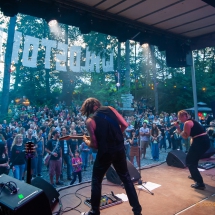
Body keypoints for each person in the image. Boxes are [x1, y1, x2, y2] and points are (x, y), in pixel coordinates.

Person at [80, 98, 142, 215]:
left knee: (96, 180)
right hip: (119, 149)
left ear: (89, 108)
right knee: (126, 179)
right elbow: (124, 124)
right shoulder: (110, 109)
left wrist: (86, 141)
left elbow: (95, 145)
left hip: (105, 153)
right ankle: (137, 210)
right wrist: (116, 135)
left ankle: (95, 211)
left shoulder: (90, 121)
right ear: (97, 104)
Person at [174, 110, 210, 190]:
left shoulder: (187, 123)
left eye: (179, 117)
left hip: (200, 142)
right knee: (194, 159)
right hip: (203, 141)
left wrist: (178, 128)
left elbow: (185, 136)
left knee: (189, 161)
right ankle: (194, 174)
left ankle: (200, 183)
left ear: (184, 116)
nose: (179, 119)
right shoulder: (191, 121)